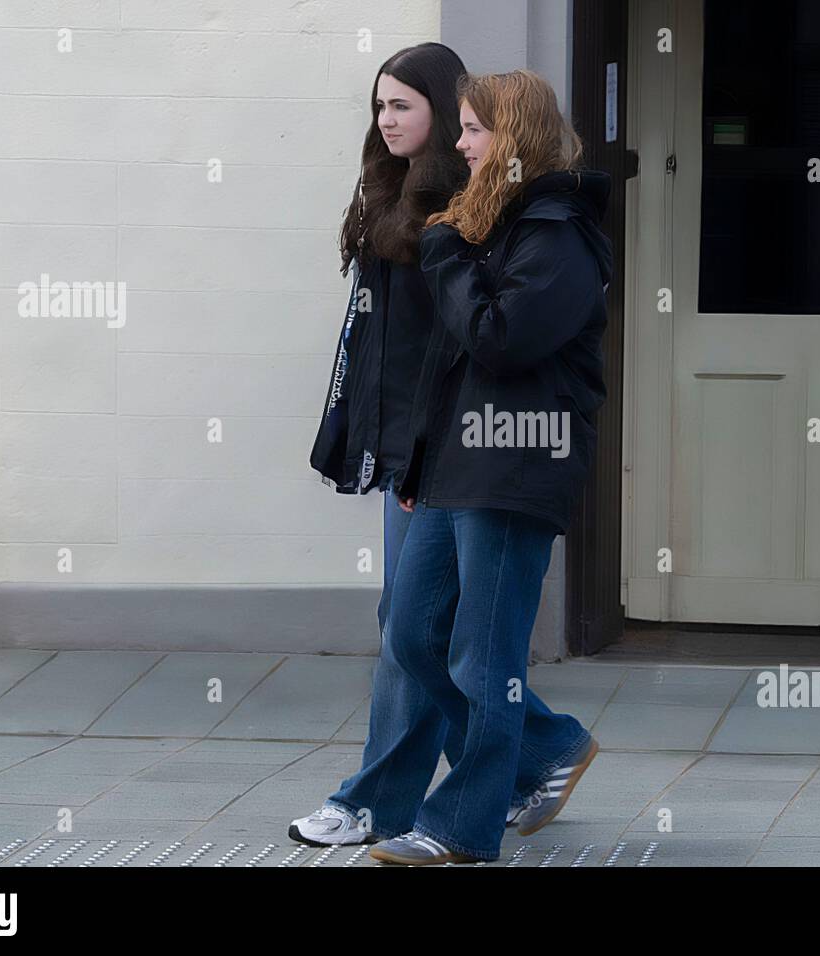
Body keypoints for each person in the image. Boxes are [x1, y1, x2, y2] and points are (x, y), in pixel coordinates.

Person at [292, 46, 561, 846]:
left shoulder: (460, 207)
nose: (386, 120)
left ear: (444, 113)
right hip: (403, 440)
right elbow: (375, 342)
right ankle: (545, 745)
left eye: (403, 106)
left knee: (416, 628)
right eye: (379, 106)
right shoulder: (384, 193)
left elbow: (456, 346)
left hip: (444, 446)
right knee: (412, 625)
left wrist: (418, 451)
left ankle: (380, 799)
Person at [367, 69, 611, 865]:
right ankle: (546, 747)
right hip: (453, 466)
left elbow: (502, 340)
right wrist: (416, 465)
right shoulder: (490, 222)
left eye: (474, 131)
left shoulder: (557, 231)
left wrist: (444, 255)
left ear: (512, 139)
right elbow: (448, 361)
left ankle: (460, 829)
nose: (461, 145)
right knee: (412, 635)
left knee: (482, 656)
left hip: (514, 465)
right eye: (463, 129)